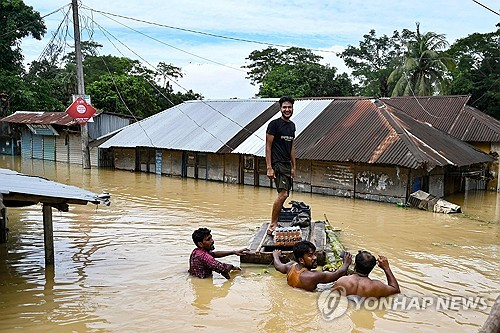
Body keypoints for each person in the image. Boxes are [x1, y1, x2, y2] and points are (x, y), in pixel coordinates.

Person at [266, 96, 296, 235]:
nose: (287, 109)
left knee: (285, 193)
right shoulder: (274, 125)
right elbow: (268, 146)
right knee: (283, 194)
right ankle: (273, 224)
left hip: (287, 165)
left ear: (292, 109)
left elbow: (291, 148)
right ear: (280, 109)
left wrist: (294, 167)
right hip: (277, 164)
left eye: (289, 107)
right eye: (284, 107)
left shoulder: (292, 126)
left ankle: (276, 220)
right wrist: (269, 167)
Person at [272, 240, 352, 292]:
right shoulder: (313, 275)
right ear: (301, 260)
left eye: (314, 254)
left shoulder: (290, 266)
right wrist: (346, 263)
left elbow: (278, 266)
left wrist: (275, 255)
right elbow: (337, 274)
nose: (315, 257)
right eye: (310, 255)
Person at [333, 250, 400, 298]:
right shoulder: (377, 286)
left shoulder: (342, 281)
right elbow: (396, 290)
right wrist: (386, 268)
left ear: (355, 265)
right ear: (371, 268)